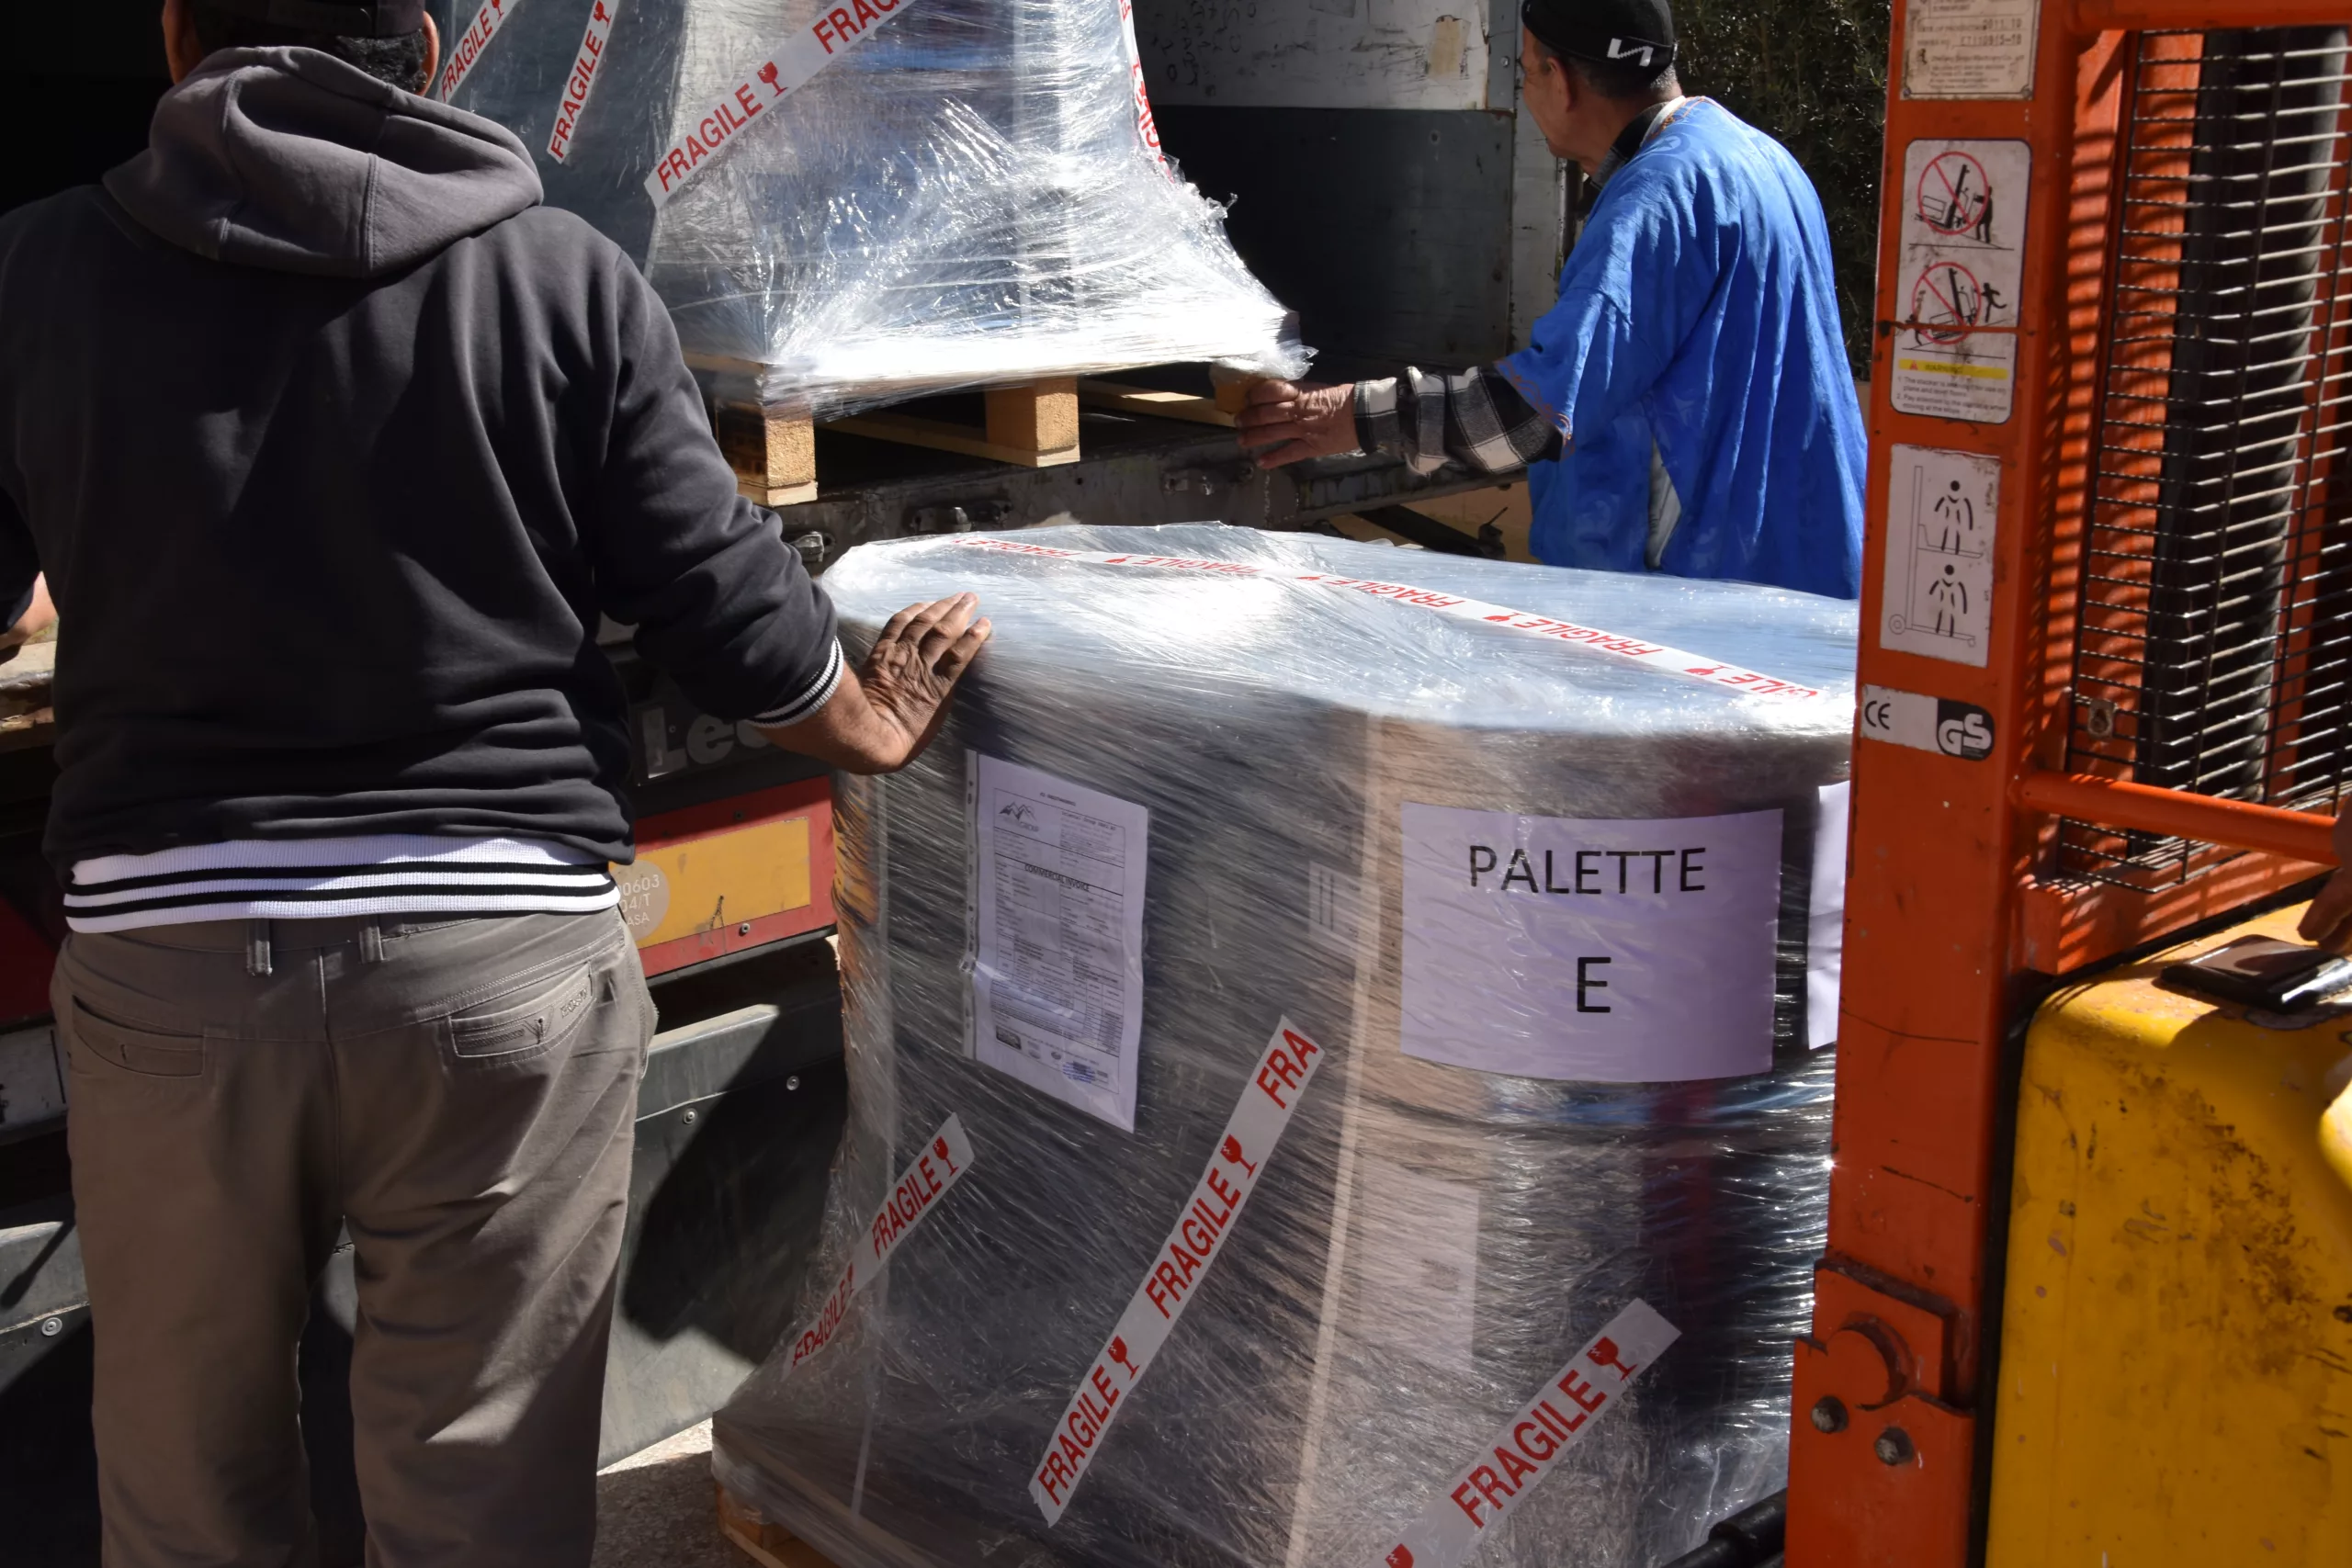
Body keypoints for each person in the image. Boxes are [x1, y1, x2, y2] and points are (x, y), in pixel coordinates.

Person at [0, 2, 987, 1562]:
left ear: (179, 43)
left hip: (172, 973)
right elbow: (717, 598)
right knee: (483, 1495)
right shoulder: (563, 278)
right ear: (440, 51)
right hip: (497, 968)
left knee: (189, 1491)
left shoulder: (37, 269)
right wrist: (860, 718)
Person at [1237, 0, 1867, 600]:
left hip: (1706, 606)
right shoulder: (1757, 158)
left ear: (1559, 81)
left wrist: (1342, 415)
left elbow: (1533, 415)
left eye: (1523, 70)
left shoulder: (1653, 203)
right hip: (1808, 578)